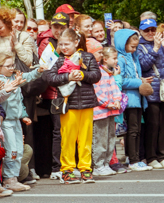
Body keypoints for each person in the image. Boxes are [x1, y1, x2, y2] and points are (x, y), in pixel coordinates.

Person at [43, 28, 101, 184]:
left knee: (85, 138)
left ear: (76, 43)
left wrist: (82, 74)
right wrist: (67, 76)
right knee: (67, 138)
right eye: (61, 44)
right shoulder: (59, 59)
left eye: (66, 44)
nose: (63, 47)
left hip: (87, 104)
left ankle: (85, 169)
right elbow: (49, 76)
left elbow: (96, 75)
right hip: (68, 105)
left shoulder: (87, 57)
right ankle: (67, 170)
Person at [0, 53, 42, 191]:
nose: (11, 68)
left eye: (12, 65)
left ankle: (14, 177)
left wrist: (38, 71)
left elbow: (19, 98)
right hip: (6, 121)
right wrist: (15, 83)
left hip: (16, 120)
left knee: (19, 149)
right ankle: (8, 178)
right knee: (11, 150)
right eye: (8, 66)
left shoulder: (14, 77)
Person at [136, 17, 164, 169]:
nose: (150, 33)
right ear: (141, 31)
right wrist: (155, 49)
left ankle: (163, 156)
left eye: (153, 30)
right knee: (152, 125)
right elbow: (143, 65)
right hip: (152, 91)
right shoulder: (139, 46)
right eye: (146, 30)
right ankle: (151, 156)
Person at [36, 12, 69, 180]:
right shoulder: (47, 44)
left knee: (68, 129)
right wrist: (57, 53)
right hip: (54, 93)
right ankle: (57, 167)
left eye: (62, 27)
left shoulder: (72, 40)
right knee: (58, 130)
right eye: (56, 27)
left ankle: (69, 163)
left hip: (71, 92)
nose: (58, 30)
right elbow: (45, 68)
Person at [115, 29, 151, 171]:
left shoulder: (133, 57)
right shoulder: (120, 58)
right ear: (123, 44)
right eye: (132, 46)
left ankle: (136, 158)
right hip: (129, 100)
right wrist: (139, 82)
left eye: (136, 47)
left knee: (137, 130)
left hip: (137, 99)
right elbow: (121, 80)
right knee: (132, 130)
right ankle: (133, 160)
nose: (134, 49)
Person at [92, 47, 122, 176]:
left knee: (110, 137)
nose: (116, 61)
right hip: (100, 112)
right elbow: (97, 91)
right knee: (100, 139)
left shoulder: (109, 73)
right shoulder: (98, 73)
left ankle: (106, 163)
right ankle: (98, 165)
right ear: (105, 59)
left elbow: (115, 88)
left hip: (110, 111)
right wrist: (107, 103)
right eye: (114, 58)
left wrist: (117, 100)